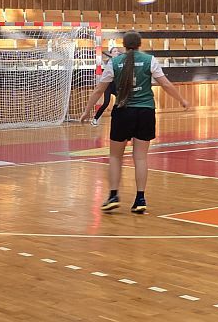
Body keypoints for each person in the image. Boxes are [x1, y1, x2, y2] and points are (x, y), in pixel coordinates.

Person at [80, 31, 189, 213]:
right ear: (140, 44)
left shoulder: (114, 62)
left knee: (115, 156)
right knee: (140, 157)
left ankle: (113, 196)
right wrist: (181, 100)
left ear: (124, 45)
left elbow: (99, 89)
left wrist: (87, 111)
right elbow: (165, 84)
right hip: (145, 112)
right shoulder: (149, 60)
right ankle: (140, 199)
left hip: (123, 112)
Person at [92, 47, 121, 126]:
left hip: (116, 85)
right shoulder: (109, 62)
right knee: (106, 103)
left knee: (121, 101)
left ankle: (118, 118)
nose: (117, 52)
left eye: (117, 51)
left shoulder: (120, 62)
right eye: (114, 51)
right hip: (108, 85)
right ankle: (95, 119)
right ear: (111, 54)